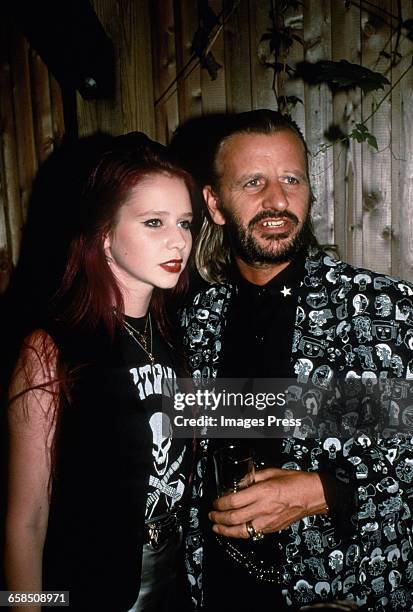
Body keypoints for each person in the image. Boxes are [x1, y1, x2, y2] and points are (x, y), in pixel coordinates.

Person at [177, 110, 413, 610]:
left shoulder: (379, 311)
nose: (277, 200)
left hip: (346, 595)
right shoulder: (196, 321)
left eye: (291, 179)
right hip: (220, 592)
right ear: (215, 204)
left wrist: (324, 490)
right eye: (253, 182)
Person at [5, 132, 198, 611]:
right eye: (154, 222)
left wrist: (382, 415)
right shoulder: (52, 348)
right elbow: (26, 520)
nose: (178, 240)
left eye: (185, 223)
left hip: (177, 590)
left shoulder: (180, 334)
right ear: (104, 233)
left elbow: (256, 412)